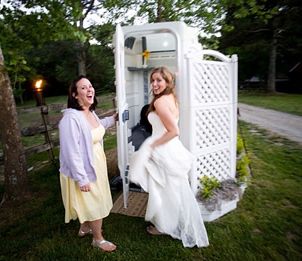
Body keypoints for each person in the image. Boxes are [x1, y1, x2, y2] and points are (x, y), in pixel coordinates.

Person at [129, 67, 209, 248]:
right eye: (153, 80)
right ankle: (170, 222)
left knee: (165, 190)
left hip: (164, 147)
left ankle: (166, 225)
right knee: (172, 189)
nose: (155, 84)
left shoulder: (159, 103)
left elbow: (174, 131)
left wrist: (153, 145)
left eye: (159, 80)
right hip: (171, 147)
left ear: (167, 82)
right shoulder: (172, 97)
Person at [59, 76, 117, 252]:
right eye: (83, 88)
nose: (89, 90)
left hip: (96, 163)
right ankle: (98, 240)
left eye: (90, 86)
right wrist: (81, 178)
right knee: (94, 201)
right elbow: (71, 152)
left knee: (90, 199)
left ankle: (85, 227)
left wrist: (114, 118)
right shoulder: (70, 119)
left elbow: (98, 127)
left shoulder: (90, 112)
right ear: (75, 94)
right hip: (83, 168)